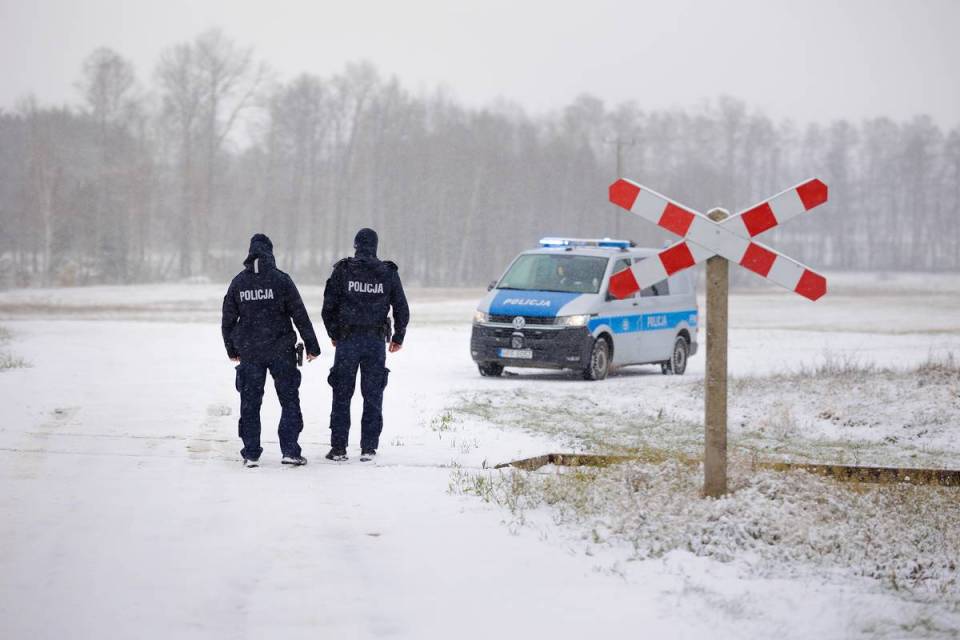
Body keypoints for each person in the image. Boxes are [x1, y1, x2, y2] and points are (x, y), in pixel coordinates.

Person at [221, 233, 321, 468]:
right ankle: (290, 451)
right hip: (281, 351)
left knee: (250, 403)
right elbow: (300, 315)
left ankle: (251, 453)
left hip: (250, 351)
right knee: (289, 400)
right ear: (270, 253)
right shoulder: (281, 280)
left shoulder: (239, 283)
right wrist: (312, 346)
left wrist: (231, 348)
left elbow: (227, 319)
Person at [321, 228, 409, 462]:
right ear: (375, 246)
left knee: (342, 394)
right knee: (373, 395)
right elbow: (401, 306)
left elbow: (327, 306)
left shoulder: (343, 270)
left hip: (347, 341)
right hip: (375, 342)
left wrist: (334, 333)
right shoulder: (387, 273)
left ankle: (339, 448)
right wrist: (398, 336)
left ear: (356, 245)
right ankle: (368, 448)